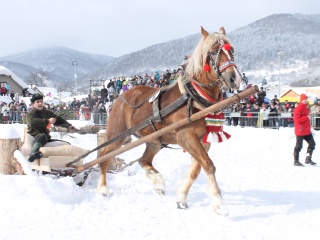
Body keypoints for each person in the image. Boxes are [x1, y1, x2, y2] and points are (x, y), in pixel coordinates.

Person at [26, 93, 76, 162]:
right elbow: (32, 122)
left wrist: (69, 125)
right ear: (33, 104)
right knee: (42, 136)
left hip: (45, 137)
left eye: (41, 101)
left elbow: (58, 120)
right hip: (35, 136)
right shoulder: (31, 114)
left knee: (64, 143)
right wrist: (47, 121)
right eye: (37, 102)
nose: (40, 103)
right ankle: (33, 153)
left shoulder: (47, 113)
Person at [293, 93, 316, 167]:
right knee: (299, 146)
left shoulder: (306, 108)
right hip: (300, 131)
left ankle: (308, 158)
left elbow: (306, 118)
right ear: (302, 100)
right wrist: (307, 117)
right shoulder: (298, 108)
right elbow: (297, 120)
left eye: (307, 99)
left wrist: (310, 126)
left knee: (312, 143)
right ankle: (296, 161)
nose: (307, 100)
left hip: (307, 130)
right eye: (305, 99)